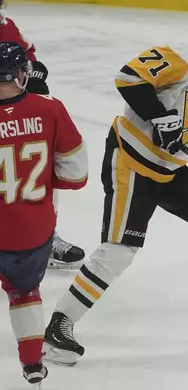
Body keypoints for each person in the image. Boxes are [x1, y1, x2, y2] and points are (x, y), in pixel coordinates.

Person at [43, 10, 188, 367]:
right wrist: (159, 117)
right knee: (119, 251)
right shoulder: (180, 58)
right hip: (131, 161)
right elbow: (129, 77)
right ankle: (60, 324)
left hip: (170, 170)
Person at [0, 42, 88, 387]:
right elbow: (76, 176)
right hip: (31, 237)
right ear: (22, 75)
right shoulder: (50, 109)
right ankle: (33, 366)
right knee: (23, 293)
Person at [0, 0, 86, 268]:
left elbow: (28, 57)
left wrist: (32, 72)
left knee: (37, 160)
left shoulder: (7, 27)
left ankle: (44, 238)